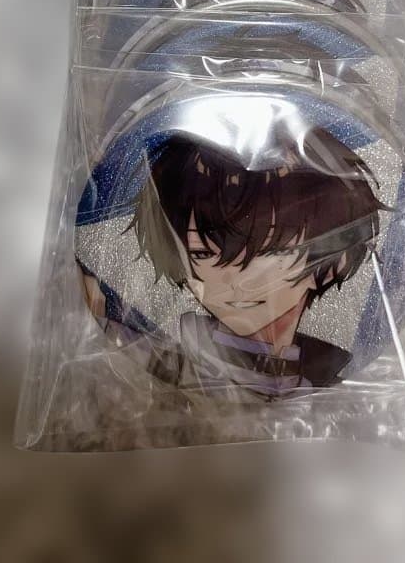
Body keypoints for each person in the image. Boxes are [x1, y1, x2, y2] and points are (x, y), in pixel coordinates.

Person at [81, 128, 386, 398]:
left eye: (270, 252)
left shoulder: (335, 375)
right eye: (202, 254)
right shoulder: (158, 356)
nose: (233, 280)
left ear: (335, 261)